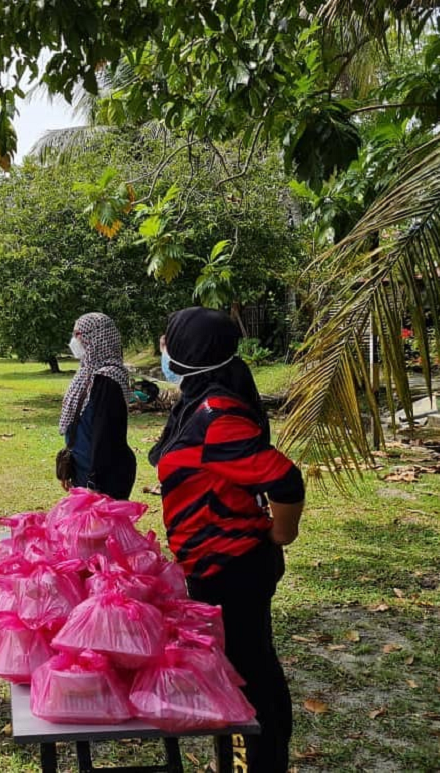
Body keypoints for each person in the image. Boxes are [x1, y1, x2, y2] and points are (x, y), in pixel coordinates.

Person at [148, 307, 305, 772]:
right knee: (244, 668)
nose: (162, 346)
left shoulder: (216, 415)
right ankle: (248, 761)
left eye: (168, 339)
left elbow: (285, 479)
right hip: (214, 563)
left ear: (189, 352)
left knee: (245, 677)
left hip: (233, 566)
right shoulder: (197, 404)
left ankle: (254, 764)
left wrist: (282, 532)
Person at [58, 312, 137, 498]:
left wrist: (94, 481)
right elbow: (77, 423)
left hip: (102, 477)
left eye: (78, 334)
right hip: (83, 468)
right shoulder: (87, 372)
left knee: (100, 527)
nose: (74, 340)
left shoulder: (107, 378)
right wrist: (69, 466)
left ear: (97, 338)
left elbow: (107, 434)